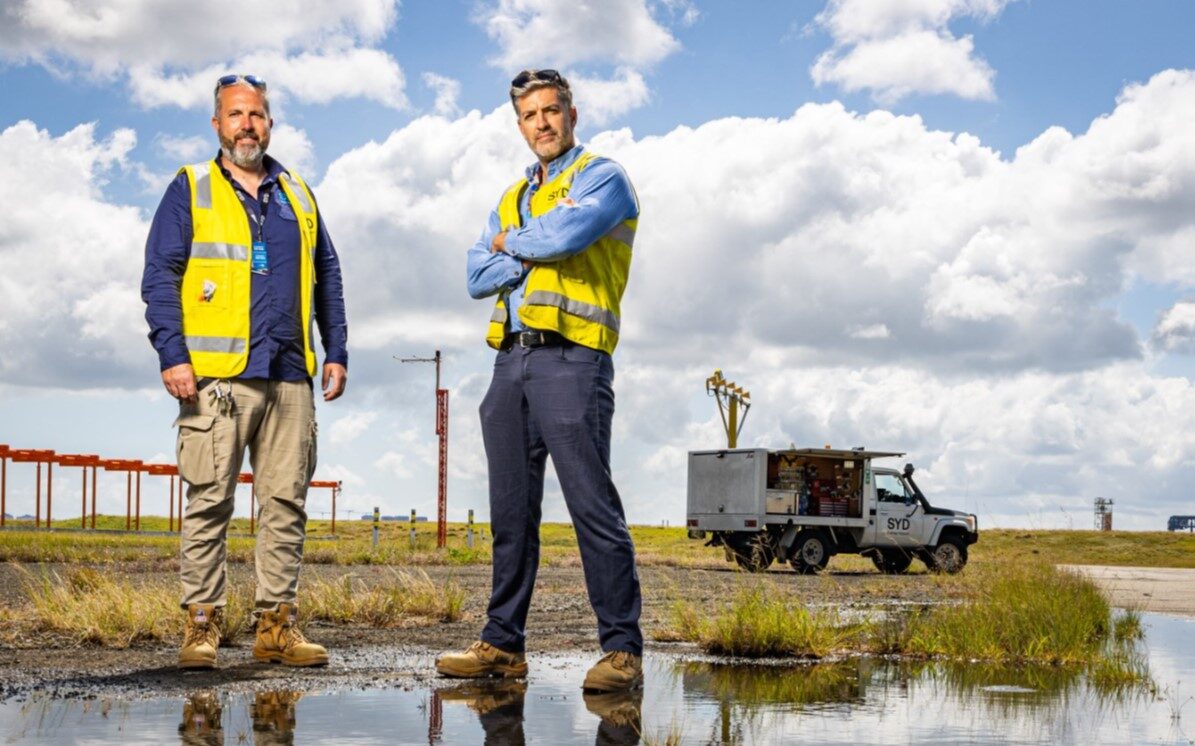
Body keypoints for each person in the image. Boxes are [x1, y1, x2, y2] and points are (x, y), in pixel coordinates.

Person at [436, 69, 643, 692]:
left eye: (551, 111)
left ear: (571, 114)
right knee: (511, 514)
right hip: (510, 365)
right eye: (530, 116)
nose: (542, 124)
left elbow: (565, 236)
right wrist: (520, 244)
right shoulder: (511, 197)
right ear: (520, 125)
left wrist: (510, 246)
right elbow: (476, 274)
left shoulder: (603, 177)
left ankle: (622, 651)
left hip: (573, 362)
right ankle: (502, 644)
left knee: (591, 507)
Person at [141, 74, 348, 670]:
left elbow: (327, 275)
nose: (246, 125)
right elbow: (161, 274)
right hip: (216, 376)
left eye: (256, 114)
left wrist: (335, 350)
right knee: (209, 500)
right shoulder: (192, 187)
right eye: (235, 115)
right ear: (217, 125)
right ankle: (201, 625)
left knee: (285, 501)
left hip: (290, 374)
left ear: (269, 124)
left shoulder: (300, 195)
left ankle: (275, 626)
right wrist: (173, 355)